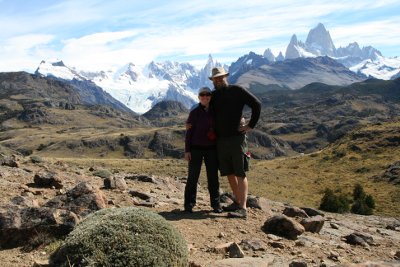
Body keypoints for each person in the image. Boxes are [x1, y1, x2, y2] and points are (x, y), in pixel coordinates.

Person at [209, 67, 261, 218]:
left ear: (226, 77)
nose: (218, 80)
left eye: (221, 77)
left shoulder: (237, 90)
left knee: (240, 171)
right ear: (212, 81)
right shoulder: (214, 96)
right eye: (215, 79)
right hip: (221, 140)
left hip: (237, 138)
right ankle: (237, 202)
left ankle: (243, 208)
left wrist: (251, 125)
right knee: (229, 172)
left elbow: (256, 104)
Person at [184, 86, 222, 213]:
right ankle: (189, 204)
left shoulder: (216, 111)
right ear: (199, 97)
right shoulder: (194, 113)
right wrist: (187, 150)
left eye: (208, 95)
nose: (205, 97)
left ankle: (216, 204)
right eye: (202, 95)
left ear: (211, 96)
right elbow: (189, 133)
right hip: (195, 149)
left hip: (212, 149)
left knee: (213, 177)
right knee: (192, 177)